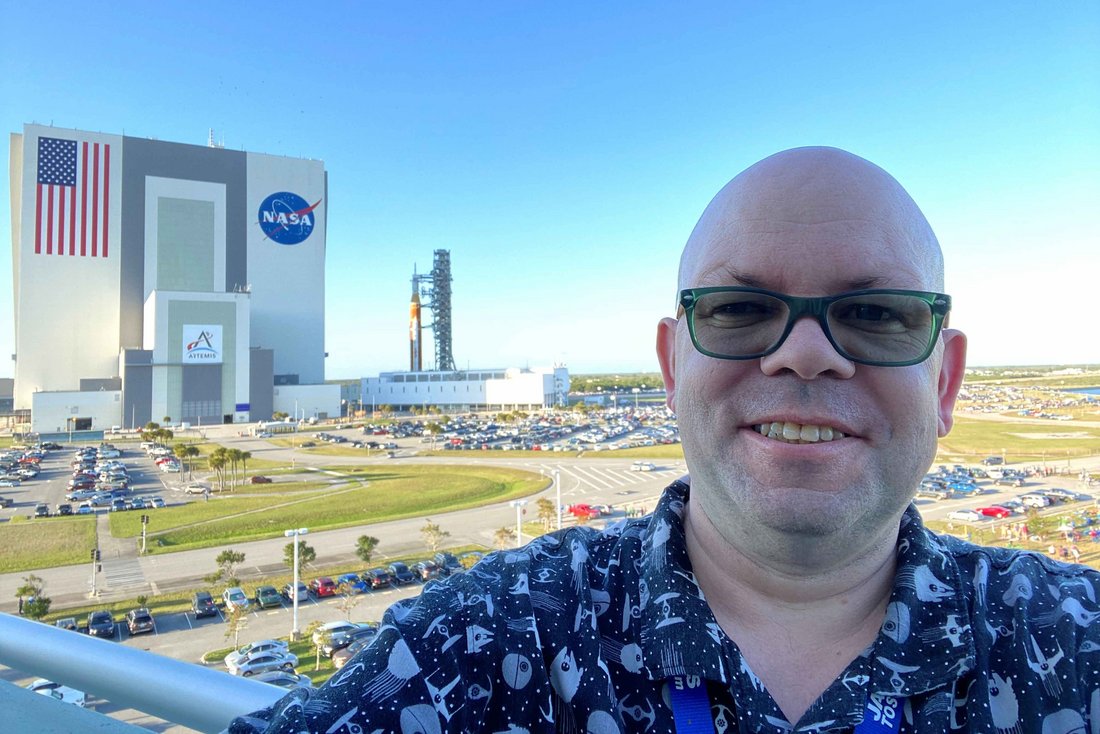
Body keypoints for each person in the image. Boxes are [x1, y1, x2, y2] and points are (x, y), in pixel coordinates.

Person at [228, 148, 1099, 734]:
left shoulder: (1072, 646)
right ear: (670, 365)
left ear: (944, 382)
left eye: (875, 314)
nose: (803, 352)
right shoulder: (493, 638)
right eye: (738, 309)